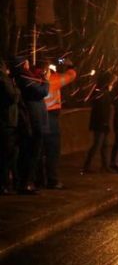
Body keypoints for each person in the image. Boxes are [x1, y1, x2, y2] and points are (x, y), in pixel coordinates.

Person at [12, 57, 49, 195]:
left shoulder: (27, 76)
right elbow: (42, 92)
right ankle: (25, 182)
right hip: (33, 120)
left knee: (34, 151)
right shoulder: (23, 77)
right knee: (31, 151)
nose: (29, 64)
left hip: (36, 118)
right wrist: (46, 80)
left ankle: (29, 181)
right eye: (26, 62)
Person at [42, 58, 77, 189]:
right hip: (51, 117)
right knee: (52, 150)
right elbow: (71, 75)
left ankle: (39, 179)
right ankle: (52, 179)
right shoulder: (54, 80)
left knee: (40, 151)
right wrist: (70, 66)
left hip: (38, 116)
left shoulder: (34, 81)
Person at [82, 70, 116, 173]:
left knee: (104, 145)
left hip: (102, 122)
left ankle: (105, 165)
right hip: (100, 123)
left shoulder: (103, 91)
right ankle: (86, 166)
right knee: (97, 144)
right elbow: (101, 109)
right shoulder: (101, 92)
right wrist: (104, 123)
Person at [1, 60, 21, 195]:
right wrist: (17, 88)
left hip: (5, 121)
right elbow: (13, 96)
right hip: (6, 121)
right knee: (6, 155)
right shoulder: (3, 79)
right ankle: (4, 184)